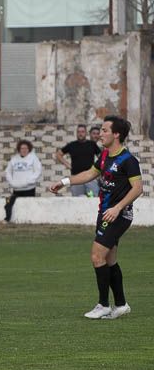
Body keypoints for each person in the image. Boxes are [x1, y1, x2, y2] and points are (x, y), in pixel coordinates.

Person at [49, 115, 142, 320]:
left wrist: (117, 208)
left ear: (116, 134)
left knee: (96, 256)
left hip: (118, 215)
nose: (101, 133)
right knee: (109, 259)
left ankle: (103, 305)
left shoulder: (128, 160)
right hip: (106, 213)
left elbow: (138, 188)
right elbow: (88, 175)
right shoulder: (104, 156)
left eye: (105, 130)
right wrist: (64, 181)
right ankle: (121, 305)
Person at [56, 124, 101, 197]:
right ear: (76, 133)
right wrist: (68, 165)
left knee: (94, 199)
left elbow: (101, 158)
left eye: (82, 132)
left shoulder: (92, 144)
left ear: (86, 133)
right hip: (76, 178)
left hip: (90, 178)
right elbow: (58, 154)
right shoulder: (72, 145)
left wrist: (98, 168)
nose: (80, 134)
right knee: (78, 201)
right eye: (78, 132)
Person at [3, 139, 42, 222]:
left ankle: (31, 221)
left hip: (29, 189)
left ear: (29, 149)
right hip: (16, 189)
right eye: (22, 148)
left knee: (29, 206)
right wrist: (12, 182)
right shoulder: (14, 159)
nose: (24, 150)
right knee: (8, 203)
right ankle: (7, 219)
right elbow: (8, 171)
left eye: (26, 148)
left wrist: (28, 182)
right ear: (19, 149)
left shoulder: (33, 158)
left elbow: (38, 171)